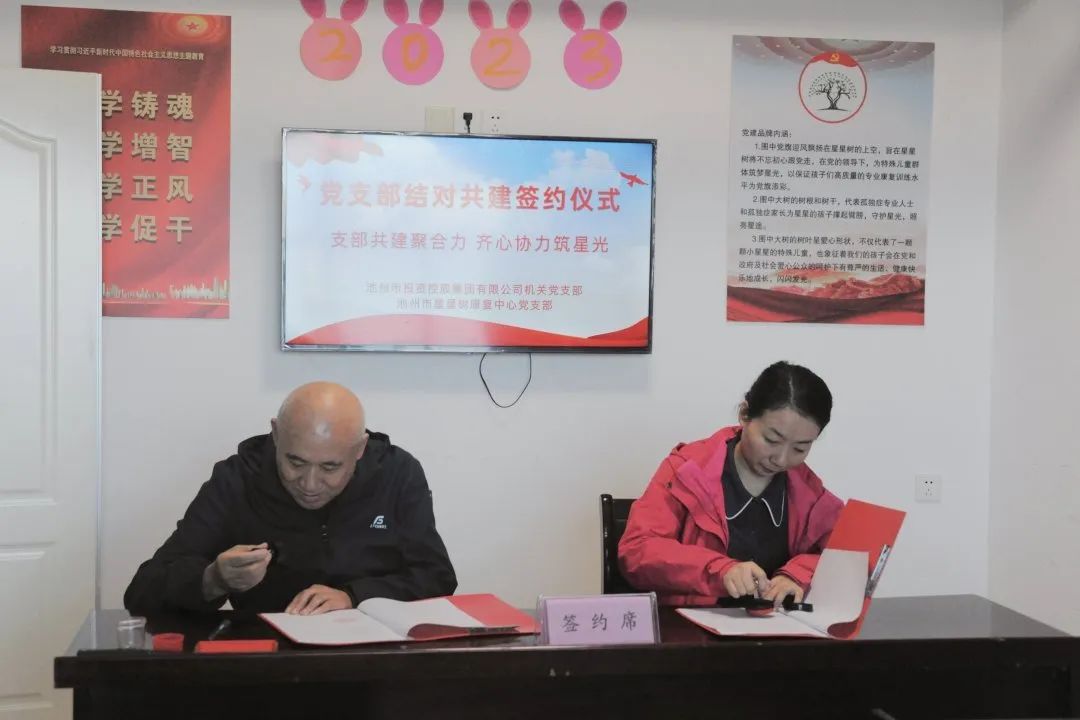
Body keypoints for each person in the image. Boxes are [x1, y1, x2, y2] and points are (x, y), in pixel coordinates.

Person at [124, 382, 457, 616]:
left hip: (376, 660)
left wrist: (354, 596)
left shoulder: (397, 474)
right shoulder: (238, 479)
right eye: (295, 462)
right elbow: (142, 591)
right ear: (275, 435)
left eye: (330, 467)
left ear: (360, 450)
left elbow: (437, 577)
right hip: (270, 664)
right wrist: (213, 579)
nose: (309, 484)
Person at [618, 361, 842, 607]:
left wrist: (796, 576)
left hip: (776, 626)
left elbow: (848, 557)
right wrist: (720, 570)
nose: (781, 459)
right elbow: (637, 551)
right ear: (745, 415)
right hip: (693, 623)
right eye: (771, 440)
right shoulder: (686, 472)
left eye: (800, 448)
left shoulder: (808, 492)